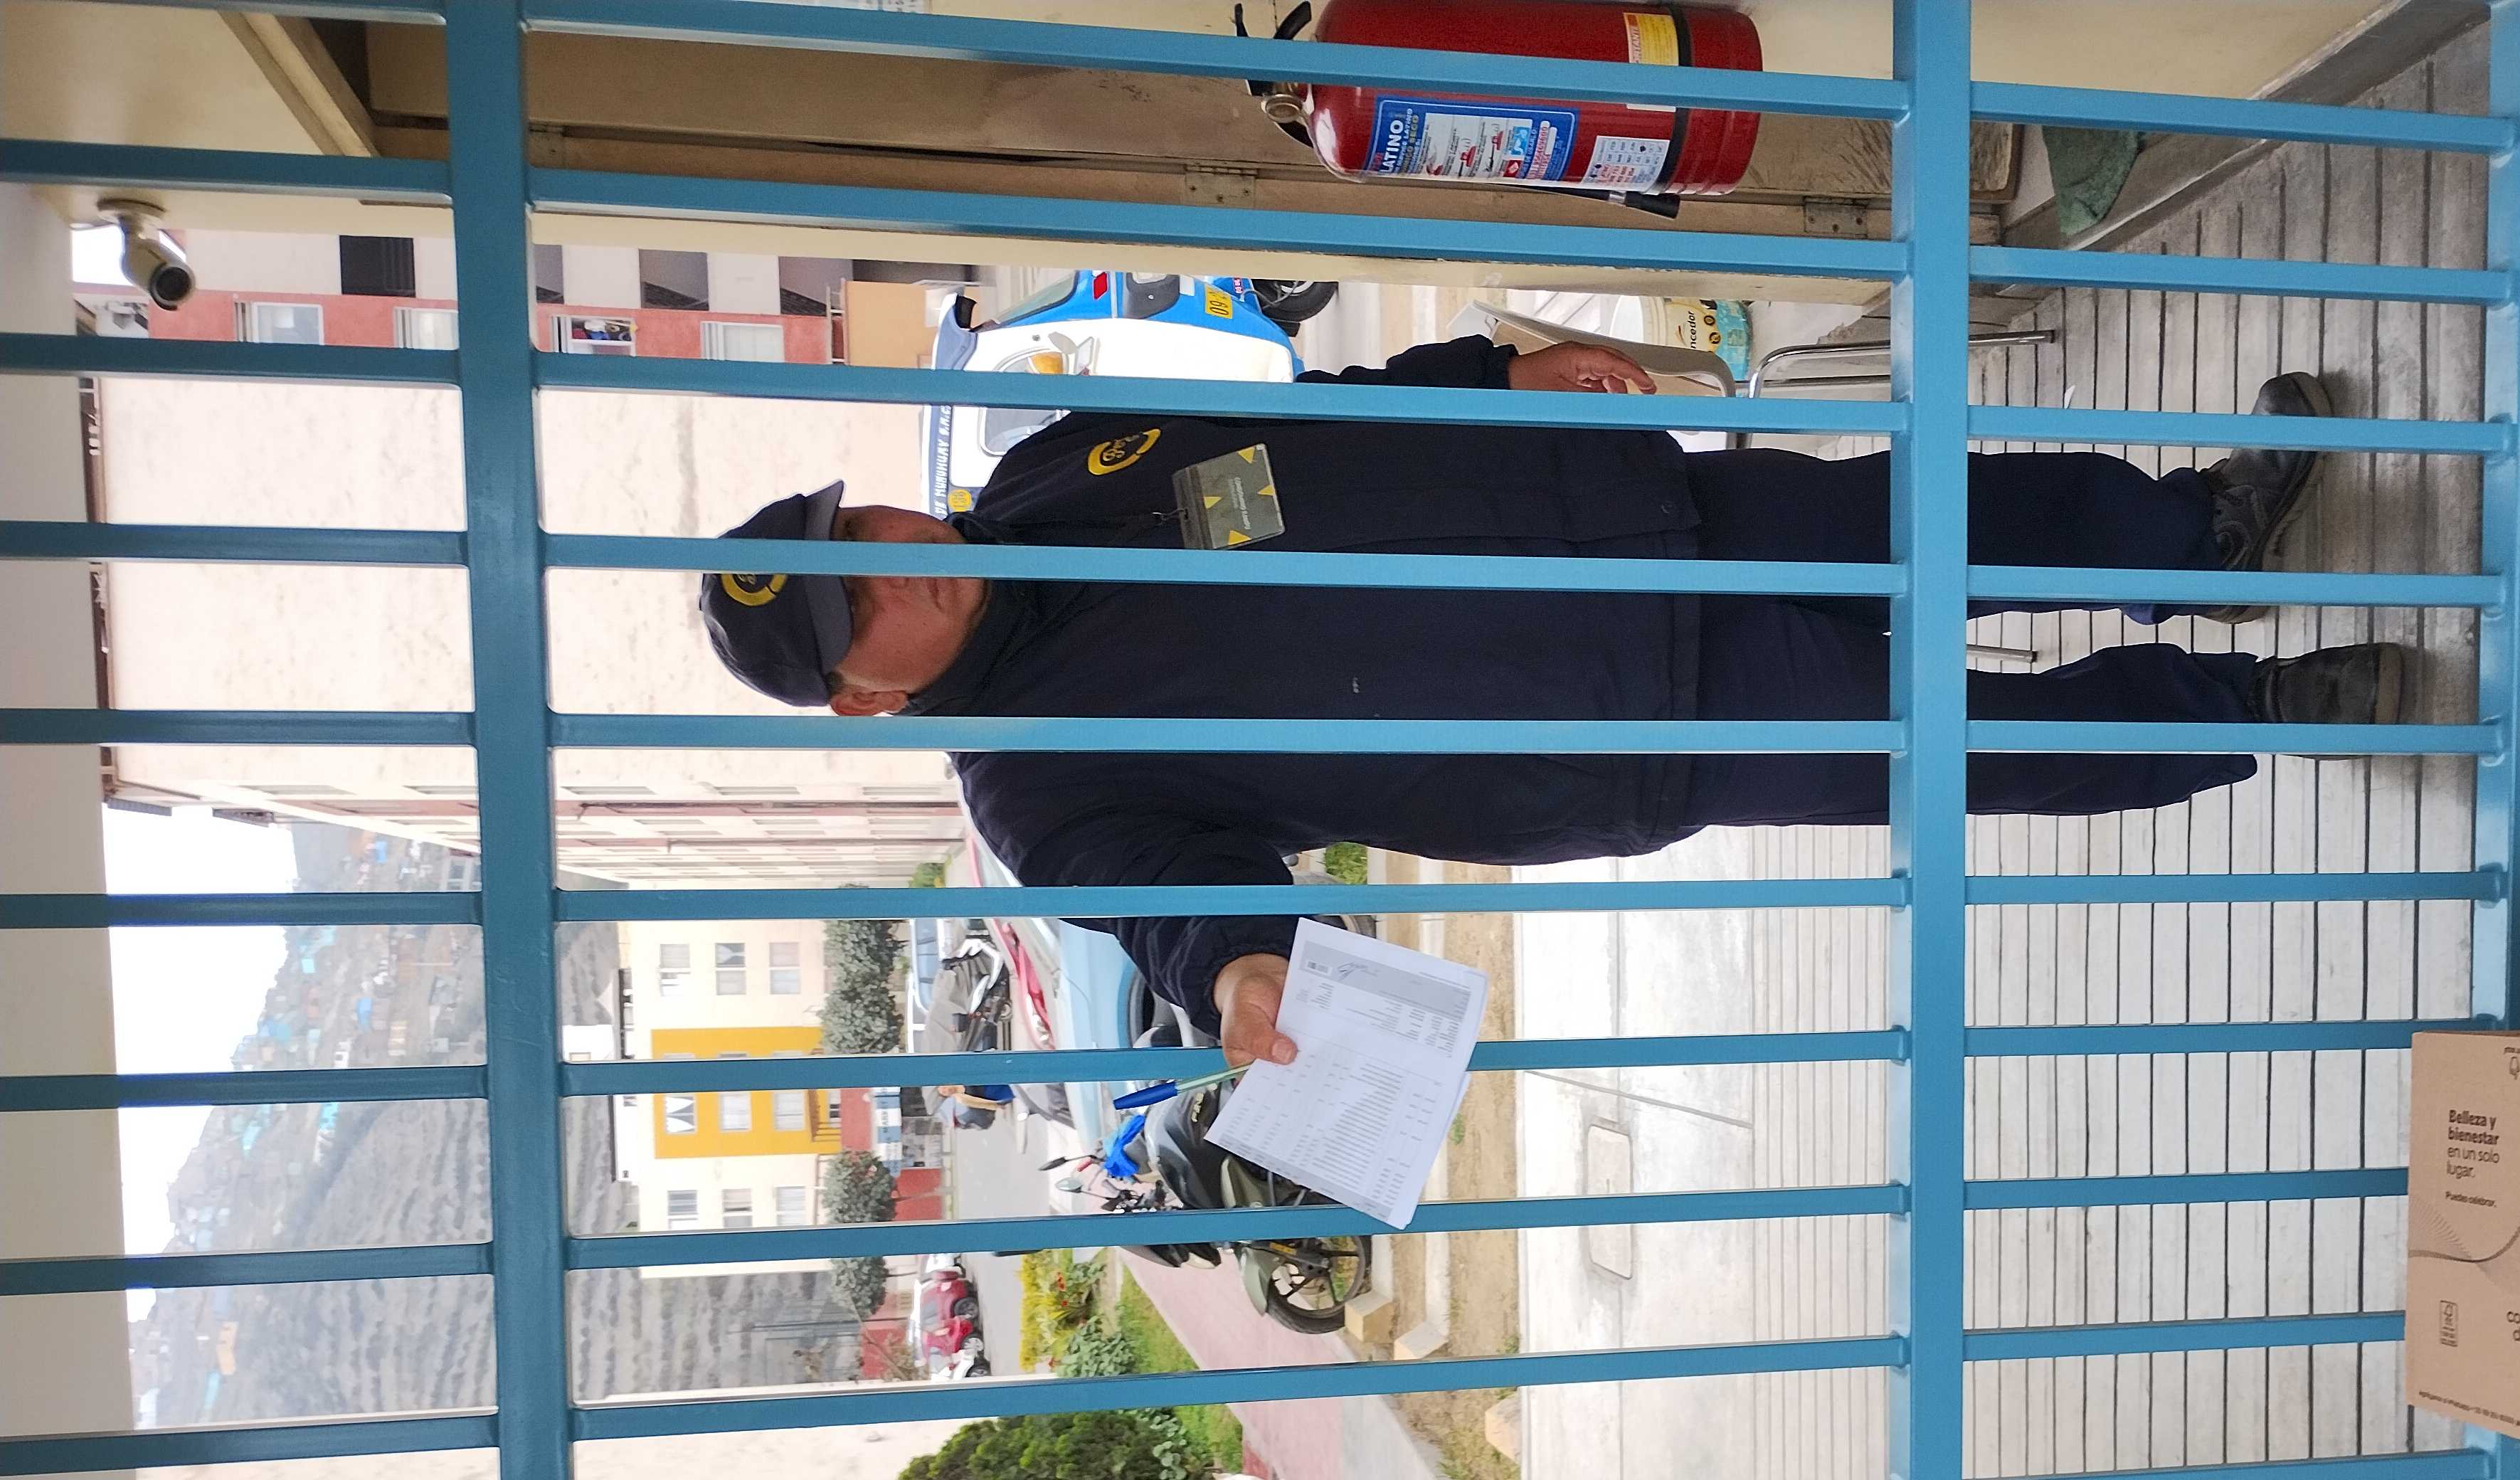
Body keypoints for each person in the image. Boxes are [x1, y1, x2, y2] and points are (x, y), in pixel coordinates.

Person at [705, 336, 2391, 1070]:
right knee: (1971, 749)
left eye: (861, 542)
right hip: (1626, 719)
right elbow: (1175, 905)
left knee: (1952, 513)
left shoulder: (1052, 471)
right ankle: (2254, 706)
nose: (894, 575)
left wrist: (1494, 380)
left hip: (1629, 521)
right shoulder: (1038, 785)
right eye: (858, 614)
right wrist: (1237, 973)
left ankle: (2196, 536)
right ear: (859, 701)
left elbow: (1319, 422)